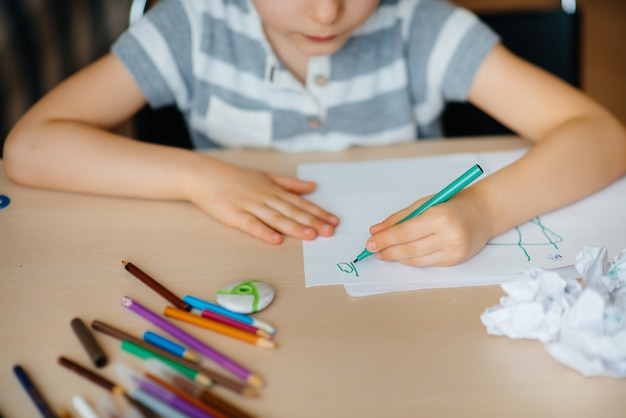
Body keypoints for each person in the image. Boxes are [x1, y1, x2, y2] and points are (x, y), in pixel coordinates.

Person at [3, 0, 626, 268]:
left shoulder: (422, 27)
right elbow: (29, 147)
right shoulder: (191, 29)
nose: (327, 13)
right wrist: (197, 175)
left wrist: (487, 207)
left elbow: (601, 136)